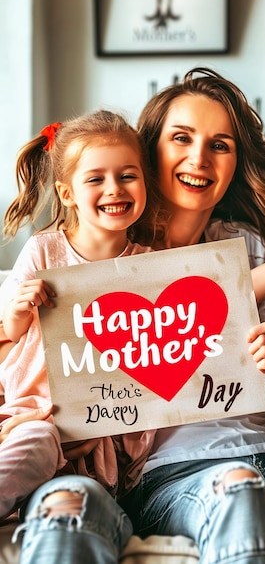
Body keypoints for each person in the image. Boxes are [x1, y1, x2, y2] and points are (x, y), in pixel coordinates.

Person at [9, 68, 265, 563]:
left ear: (235, 164)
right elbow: (31, 366)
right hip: (184, 474)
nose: (199, 158)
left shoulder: (250, 247)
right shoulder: (108, 258)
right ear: (149, 150)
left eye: (220, 145)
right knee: (232, 490)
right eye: (181, 138)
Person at [0, 108, 162, 527]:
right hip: (43, 412)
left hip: (110, 421)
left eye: (128, 175)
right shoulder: (44, 250)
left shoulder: (150, 264)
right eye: (96, 179)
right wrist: (21, 307)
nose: (115, 189)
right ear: (67, 192)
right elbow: (12, 332)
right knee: (34, 445)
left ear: (145, 182)